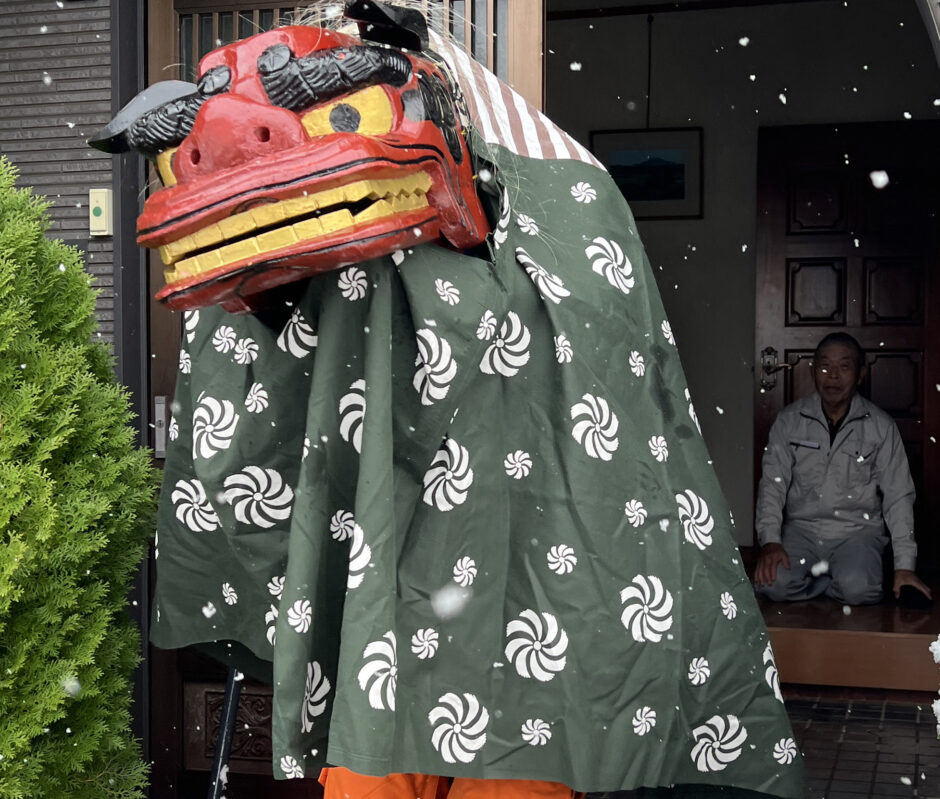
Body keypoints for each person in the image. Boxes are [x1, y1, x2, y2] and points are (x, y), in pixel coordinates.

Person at [754, 332, 931, 605]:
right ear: (813, 371)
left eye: (844, 367)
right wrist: (770, 542)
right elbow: (771, 485)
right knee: (772, 585)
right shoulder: (789, 421)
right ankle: (828, 582)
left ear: (860, 375)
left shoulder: (881, 426)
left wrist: (904, 566)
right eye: (825, 366)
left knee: (859, 590)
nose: (833, 376)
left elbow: (899, 496)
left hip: (857, 533)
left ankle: (835, 580)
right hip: (801, 531)